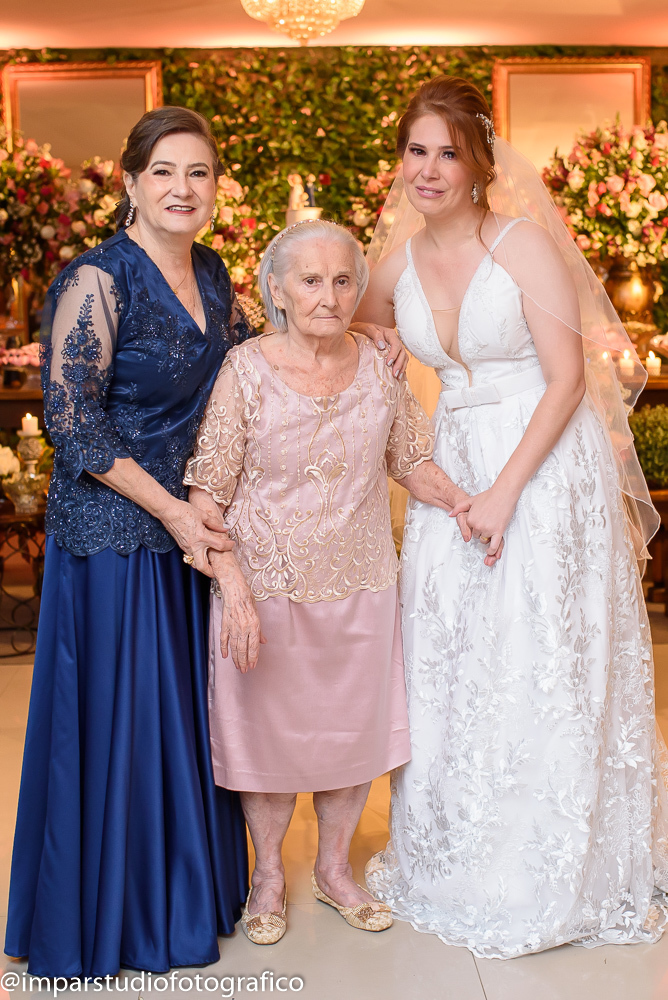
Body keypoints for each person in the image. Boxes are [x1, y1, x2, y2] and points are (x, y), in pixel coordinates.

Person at [357, 76, 668, 957]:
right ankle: (456, 853)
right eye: (416, 151)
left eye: (448, 153)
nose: (428, 169)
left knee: (538, 645)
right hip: (453, 462)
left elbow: (567, 382)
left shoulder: (521, 244)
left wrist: (503, 492)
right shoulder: (395, 265)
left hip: (541, 461)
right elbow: (355, 325)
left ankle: (553, 864)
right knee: (451, 649)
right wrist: (381, 339)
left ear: (479, 165)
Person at [5, 107, 253, 977]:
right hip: (115, 532)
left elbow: (251, 370)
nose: (183, 189)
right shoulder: (97, 279)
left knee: (183, 716)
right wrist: (173, 513)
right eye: (165, 172)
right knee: (123, 724)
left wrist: (352, 336)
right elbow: (72, 422)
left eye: (199, 173)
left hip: (188, 526)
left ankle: (183, 896)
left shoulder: (214, 273)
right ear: (131, 183)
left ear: (215, 188)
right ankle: (118, 918)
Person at [184, 219, 477, 945]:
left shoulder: (380, 365)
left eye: (344, 280)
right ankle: (268, 876)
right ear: (277, 290)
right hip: (266, 589)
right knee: (268, 743)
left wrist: (471, 507)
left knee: (352, 738)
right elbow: (206, 495)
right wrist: (233, 589)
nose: (329, 295)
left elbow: (410, 459)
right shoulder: (245, 370)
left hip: (361, 584)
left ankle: (334, 870)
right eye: (310, 280)